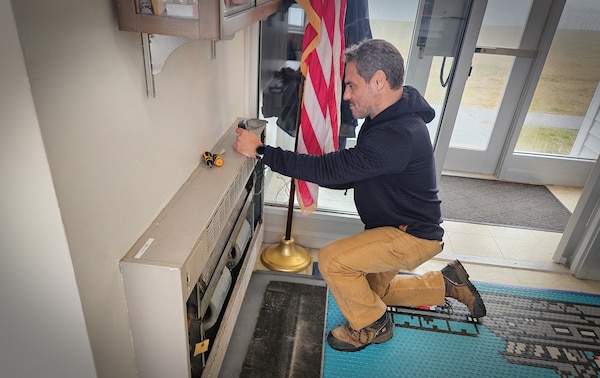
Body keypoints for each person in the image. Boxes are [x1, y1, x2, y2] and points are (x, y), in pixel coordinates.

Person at [233, 39, 486, 353]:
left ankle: (372, 326)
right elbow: (351, 172)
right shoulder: (390, 117)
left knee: (333, 261)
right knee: (370, 295)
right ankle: (447, 283)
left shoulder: (398, 134)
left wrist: (261, 151)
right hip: (396, 229)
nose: (346, 94)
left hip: (410, 236)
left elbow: (335, 169)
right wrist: (325, 173)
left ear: (378, 80)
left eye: (351, 85)